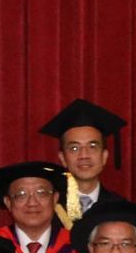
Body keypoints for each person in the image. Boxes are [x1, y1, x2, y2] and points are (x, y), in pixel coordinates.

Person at [38, 97, 126, 228]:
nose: (84, 155)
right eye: (74, 148)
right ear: (62, 158)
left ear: (104, 156)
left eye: (92, 146)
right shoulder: (45, 208)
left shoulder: (122, 209)